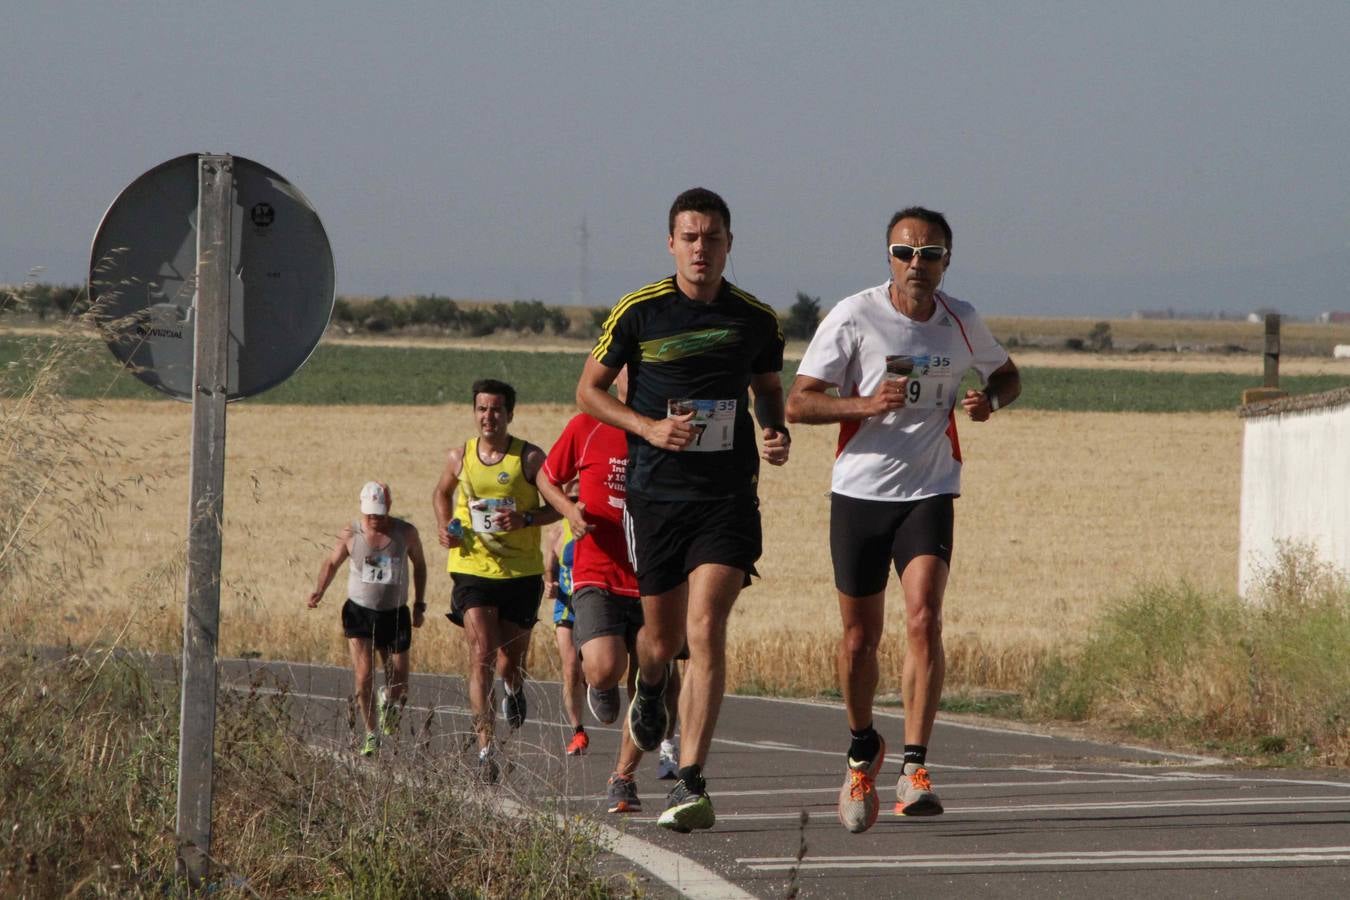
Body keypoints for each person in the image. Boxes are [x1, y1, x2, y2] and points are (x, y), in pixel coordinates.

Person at [785, 206, 1021, 834]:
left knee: (924, 617)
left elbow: (1009, 376)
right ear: (888, 256)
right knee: (860, 639)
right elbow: (798, 402)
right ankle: (863, 746)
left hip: (930, 488)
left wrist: (987, 401)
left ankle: (915, 768)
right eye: (905, 251)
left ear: (948, 260)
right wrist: (866, 403)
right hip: (860, 494)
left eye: (931, 253)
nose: (918, 263)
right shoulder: (854, 315)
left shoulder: (961, 320)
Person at [575, 187, 790, 832]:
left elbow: (768, 391)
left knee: (706, 632)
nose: (702, 248)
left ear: (730, 244)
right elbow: (587, 392)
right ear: (672, 244)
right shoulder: (639, 312)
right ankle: (648, 685)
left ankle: (692, 779)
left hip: (725, 499)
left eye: (714, 236)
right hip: (656, 498)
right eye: (690, 237)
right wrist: (645, 427)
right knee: (662, 642)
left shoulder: (756, 319)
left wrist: (774, 431)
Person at [536, 368, 684, 814]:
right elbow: (546, 478)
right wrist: (568, 511)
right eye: (628, 374)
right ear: (616, 380)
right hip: (597, 571)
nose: (636, 383)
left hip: (652, 576)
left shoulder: (671, 432)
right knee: (602, 668)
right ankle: (599, 684)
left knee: (650, 680)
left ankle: (623, 778)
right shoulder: (587, 426)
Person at [432, 378, 560, 782]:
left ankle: (514, 688)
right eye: (482, 409)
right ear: (475, 413)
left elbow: (558, 506)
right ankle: (486, 748)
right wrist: (445, 526)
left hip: (520, 572)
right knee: (482, 652)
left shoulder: (530, 458)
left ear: (509, 414)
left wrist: (525, 518)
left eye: (497, 409)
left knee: (510, 661)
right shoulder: (459, 457)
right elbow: (441, 494)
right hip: (472, 568)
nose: (489, 417)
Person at [307, 481, 427, 757]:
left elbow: (419, 565)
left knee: (399, 682)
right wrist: (319, 590)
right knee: (363, 677)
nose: (376, 519)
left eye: (381, 514)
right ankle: (371, 733)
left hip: (395, 614)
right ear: (362, 509)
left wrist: (420, 603)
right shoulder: (351, 533)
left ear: (390, 508)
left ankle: (389, 701)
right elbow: (331, 563)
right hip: (360, 612)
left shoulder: (405, 533)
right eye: (371, 514)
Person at [543, 517, 589, 756]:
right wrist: (549, 583)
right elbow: (549, 568)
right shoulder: (558, 530)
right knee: (571, 668)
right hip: (566, 607)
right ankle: (577, 732)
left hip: (593, 607)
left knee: (590, 669)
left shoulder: (598, 524)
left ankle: (594, 683)